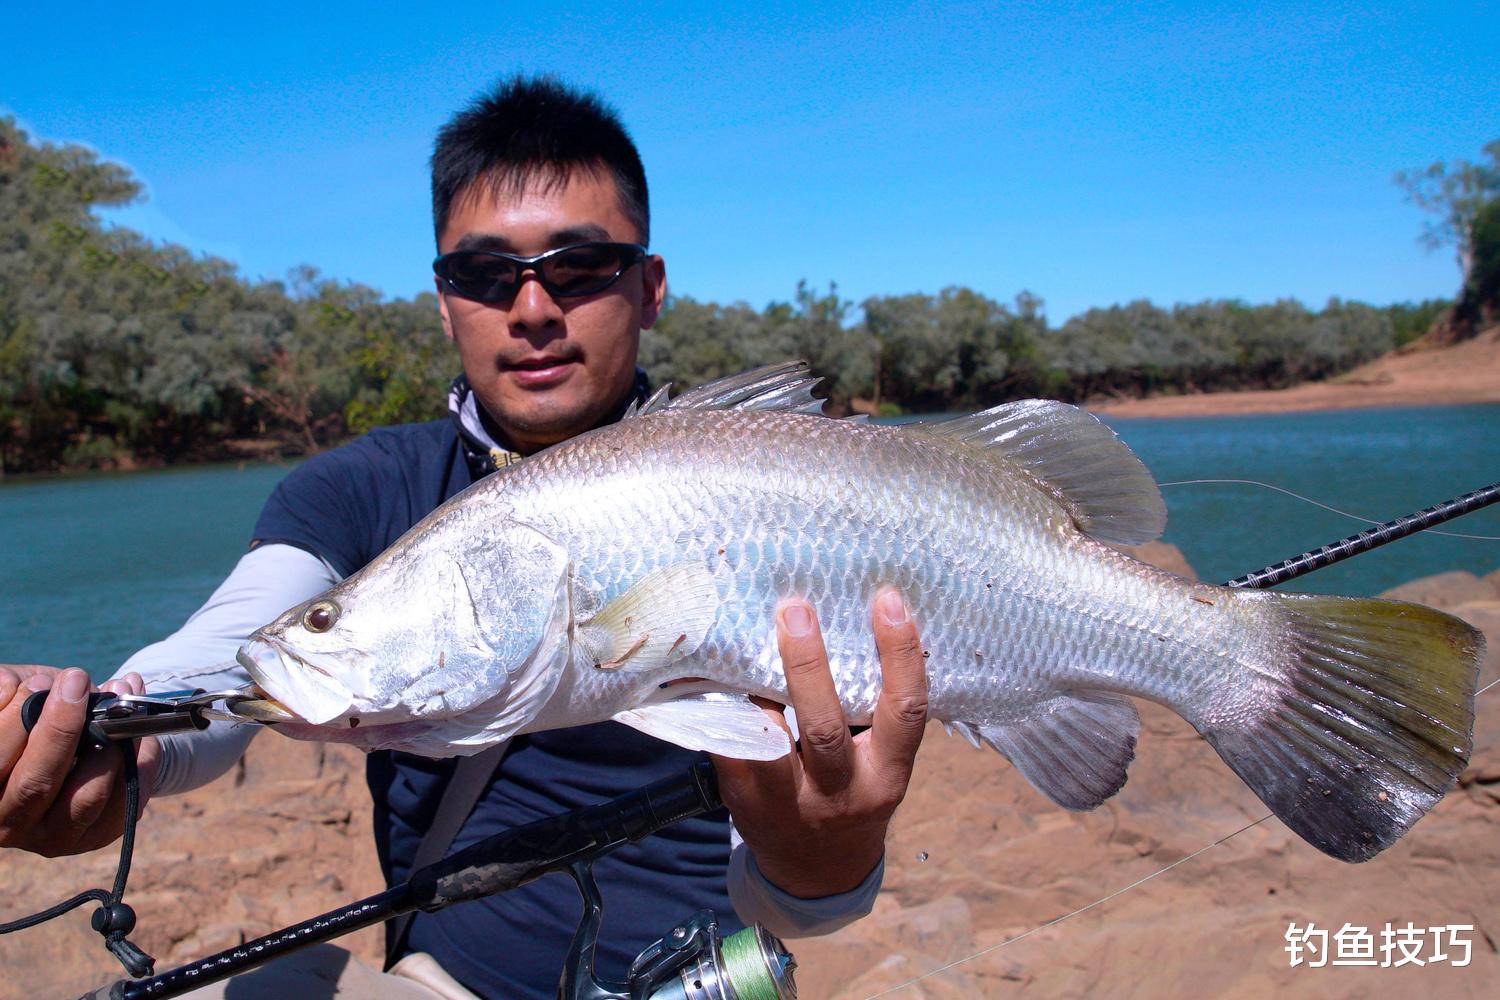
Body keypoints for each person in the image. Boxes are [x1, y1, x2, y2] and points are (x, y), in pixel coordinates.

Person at [0, 76, 929, 997]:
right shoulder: (363, 488)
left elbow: (809, 913)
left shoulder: (784, 495)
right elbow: (227, 657)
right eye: (484, 275)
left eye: (579, 266)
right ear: (445, 302)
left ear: (648, 288)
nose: (532, 309)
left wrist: (825, 851)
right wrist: (120, 738)